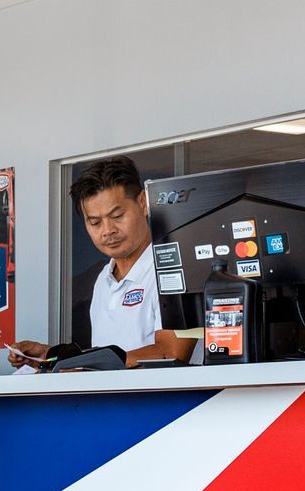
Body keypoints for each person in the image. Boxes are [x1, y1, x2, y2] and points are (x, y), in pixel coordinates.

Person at [15, 155, 195, 367]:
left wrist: (76, 364)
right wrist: (52, 356)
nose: (108, 230)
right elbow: (108, 357)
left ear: (143, 203)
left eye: (117, 216)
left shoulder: (178, 268)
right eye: (95, 222)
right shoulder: (103, 279)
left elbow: (170, 354)